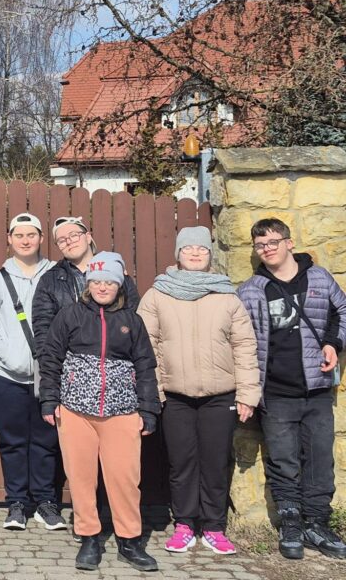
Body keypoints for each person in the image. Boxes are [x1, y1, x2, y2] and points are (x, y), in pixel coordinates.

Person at [138, 226, 260, 555]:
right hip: (175, 397)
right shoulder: (157, 295)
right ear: (177, 254)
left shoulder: (226, 296)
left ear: (210, 255)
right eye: (188, 248)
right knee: (181, 463)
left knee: (215, 462)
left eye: (202, 249)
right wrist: (153, 393)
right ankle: (184, 524)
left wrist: (247, 394)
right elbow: (144, 348)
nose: (195, 253)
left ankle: (214, 527)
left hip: (219, 396)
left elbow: (245, 347)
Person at [39, 251, 161, 572]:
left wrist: (149, 409)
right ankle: (89, 536)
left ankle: (129, 540)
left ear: (119, 285)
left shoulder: (132, 320)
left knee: (124, 478)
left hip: (122, 411)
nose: (103, 287)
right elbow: (51, 358)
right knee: (81, 478)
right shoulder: (70, 315)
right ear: (88, 283)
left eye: (109, 281)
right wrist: (49, 401)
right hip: (75, 410)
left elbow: (146, 365)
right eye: (97, 281)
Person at [237, 218, 346, 560]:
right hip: (276, 393)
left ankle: (318, 523)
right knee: (283, 462)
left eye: (272, 242)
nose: (267, 249)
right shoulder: (252, 289)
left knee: (319, 460)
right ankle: (291, 525)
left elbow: (343, 312)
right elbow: (240, 339)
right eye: (260, 245)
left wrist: (333, 343)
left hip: (316, 389)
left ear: (289, 243)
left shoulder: (319, 277)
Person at [0, 213, 63, 531]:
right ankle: (16, 503)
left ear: (42, 238)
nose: (25, 240)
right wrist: (10, 356)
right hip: (4, 374)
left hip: (48, 375)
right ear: (9, 239)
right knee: (12, 440)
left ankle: (45, 502)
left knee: (45, 439)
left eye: (31, 234)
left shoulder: (56, 274)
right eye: (19, 235)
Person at [31, 216, 140, 355]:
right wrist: (49, 368)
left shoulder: (115, 271)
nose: (69, 242)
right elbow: (43, 329)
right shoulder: (50, 281)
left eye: (74, 235)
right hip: (69, 365)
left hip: (115, 362)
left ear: (88, 237)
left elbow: (133, 315)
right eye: (61, 240)